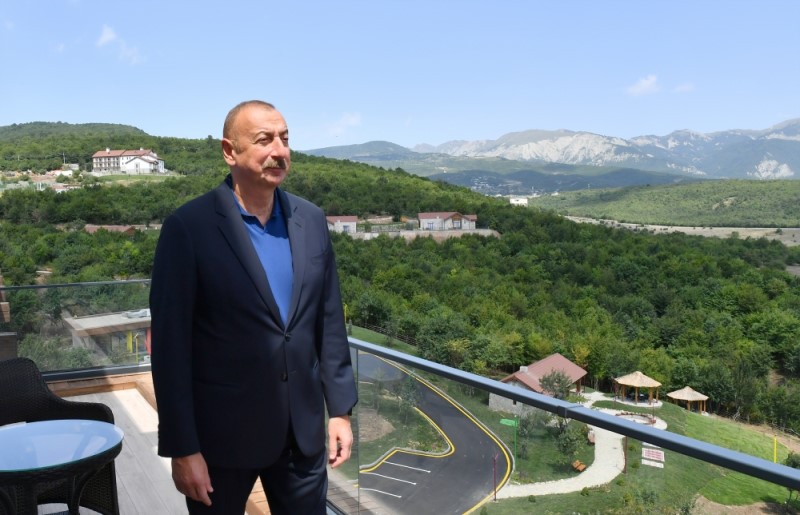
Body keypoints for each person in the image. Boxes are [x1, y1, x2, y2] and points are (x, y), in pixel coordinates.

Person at [149, 100, 358, 514]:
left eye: (285, 139)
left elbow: (328, 320)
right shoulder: (188, 228)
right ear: (230, 151)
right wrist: (182, 448)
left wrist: (340, 411)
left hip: (301, 437)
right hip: (220, 442)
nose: (279, 150)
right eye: (264, 140)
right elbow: (170, 350)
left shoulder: (311, 220)